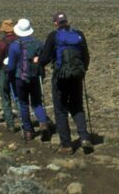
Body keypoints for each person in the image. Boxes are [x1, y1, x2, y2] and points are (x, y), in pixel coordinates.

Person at [40, 11, 93, 154]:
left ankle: (66, 145)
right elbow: (86, 56)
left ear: (55, 23)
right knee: (77, 106)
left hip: (60, 78)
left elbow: (44, 58)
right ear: (67, 21)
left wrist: (38, 62)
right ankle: (84, 137)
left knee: (61, 110)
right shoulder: (79, 34)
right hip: (76, 76)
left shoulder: (53, 36)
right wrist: (82, 71)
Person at [6, 18, 51, 142]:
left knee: (23, 104)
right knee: (37, 102)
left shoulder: (14, 46)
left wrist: (10, 77)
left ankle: (28, 131)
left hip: (20, 78)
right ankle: (43, 123)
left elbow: (10, 67)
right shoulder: (38, 43)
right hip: (35, 77)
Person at [0, 19, 19, 132]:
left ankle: (10, 124)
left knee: (5, 98)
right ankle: (24, 122)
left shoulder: (1, 43)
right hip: (17, 71)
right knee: (18, 97)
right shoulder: (19, 41)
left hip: (4, 71)